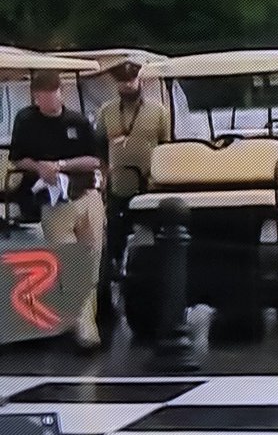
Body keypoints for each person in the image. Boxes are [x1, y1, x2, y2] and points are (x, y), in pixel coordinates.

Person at [8, 70, 106, 350]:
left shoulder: (77, 121)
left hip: (85, 195)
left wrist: (61, 165)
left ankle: (87, 320)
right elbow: (18, 159)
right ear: (36, 97)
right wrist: (40, 167)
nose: (49, 101)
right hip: (53, 202)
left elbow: (93, 159)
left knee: (91, 261)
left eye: (54, 95)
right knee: (69, 263)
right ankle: (84, 328)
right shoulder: (26, 121)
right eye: (43, 96)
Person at [95, 60, 170, 339]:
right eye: (122, 82)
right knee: (112, 241)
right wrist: (103, 178)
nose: (128, 86)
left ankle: (155, 289)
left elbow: (167, 148)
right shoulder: (106, 112)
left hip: (150, 187)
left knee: (153, 240)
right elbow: (99, 149)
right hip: (118, 187)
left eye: (132, 81)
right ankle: (107, 298)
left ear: (140, 81)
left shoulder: (158, 112)